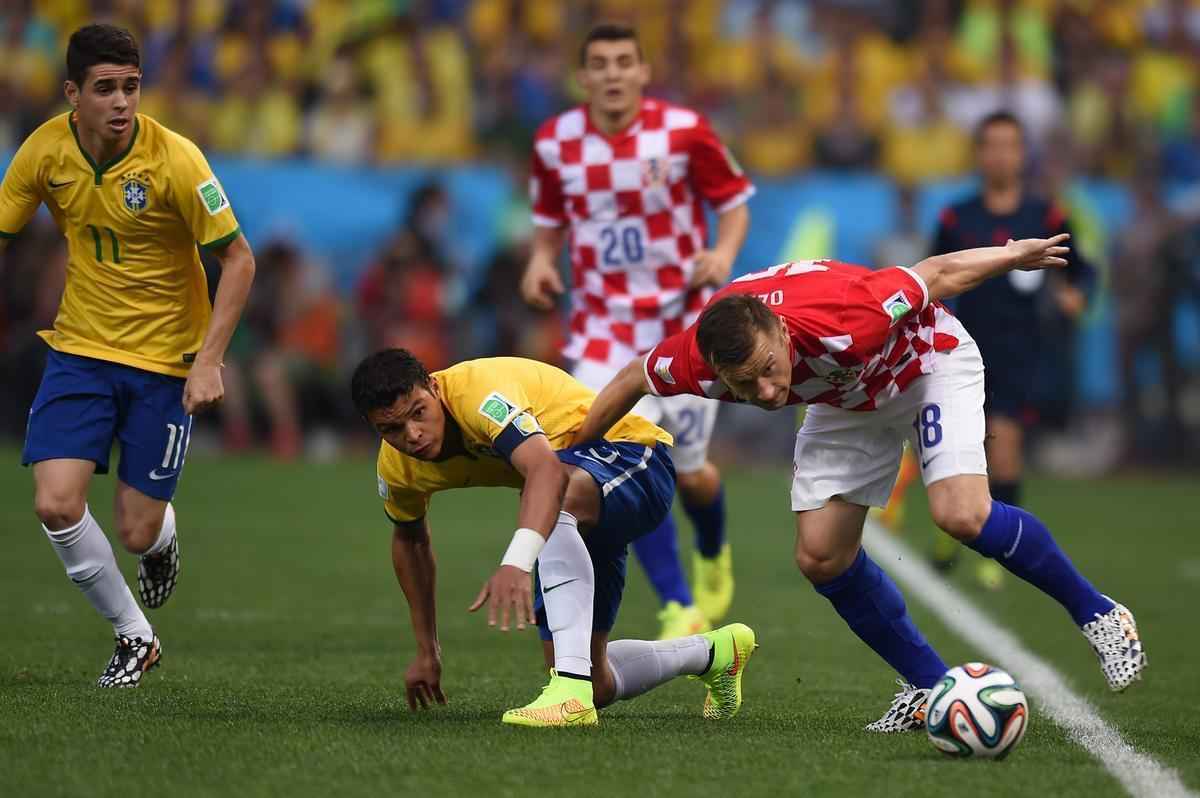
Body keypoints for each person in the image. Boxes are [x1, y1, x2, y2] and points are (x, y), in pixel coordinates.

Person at [574, 238, 1146, 732]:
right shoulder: (694, 361)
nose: (769, 393)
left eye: (770, 370)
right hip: (844, 400)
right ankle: (927, 687)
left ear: (778, 328)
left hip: (924, 366)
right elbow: (629, 378)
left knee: (961, 514)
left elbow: (937, 273)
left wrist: (1012, 257)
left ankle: (1099, 613)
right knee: (821, 556)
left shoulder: (846, 314)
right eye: (745, 386)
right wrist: (569, 452)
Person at [0, 25, 256, 687]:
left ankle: (161, 535)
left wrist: (208, 361)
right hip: (79, 350)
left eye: (131, 87)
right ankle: (134, 636)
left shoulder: (177, 160)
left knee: (135, 532)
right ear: (72, 95)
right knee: (56, 504)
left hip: (165, 364)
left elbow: (238, 258)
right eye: (106, 89)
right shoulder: (44, 151)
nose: (121, 102)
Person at [351, 349, 756, 727]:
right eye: (392, 429)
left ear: (434, 388)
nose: (413, 435)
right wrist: (427, 650)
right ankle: (715, 653)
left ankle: (569, 694)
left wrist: (516, 563)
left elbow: (544, 470)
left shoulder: (479, 395)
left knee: (555, 486)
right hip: (575, 507)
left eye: (419, 412)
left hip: (634, 456)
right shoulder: (397, 468)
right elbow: (410, 543)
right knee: (594, 677)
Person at [522, 24, 754, 638]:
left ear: (643, 72)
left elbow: (733, 201)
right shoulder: (555, 143)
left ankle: (711, 548)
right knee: (621, 455)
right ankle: (677, 606)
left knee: (695, 474)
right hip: (600, 329)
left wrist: (723, 253)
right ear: (583, 78)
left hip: (681, 322)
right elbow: (549, 220)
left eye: (625, 62)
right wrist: (543, 260)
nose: (613, 74)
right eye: (599, 64)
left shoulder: (682, 131)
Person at [929, 111, 1095, 579]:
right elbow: (934, 275)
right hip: (963, 349)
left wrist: (1076, 293)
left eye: (1010, 145)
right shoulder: (956, 217)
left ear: (1023, 155)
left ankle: (994, 555)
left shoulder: (1046, 215)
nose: (1001, 154)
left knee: (1005, 447)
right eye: (992, 145)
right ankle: (955, 525)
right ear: (980, 154)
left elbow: (1082, 268)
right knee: (968, 444)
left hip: (1021, 351)